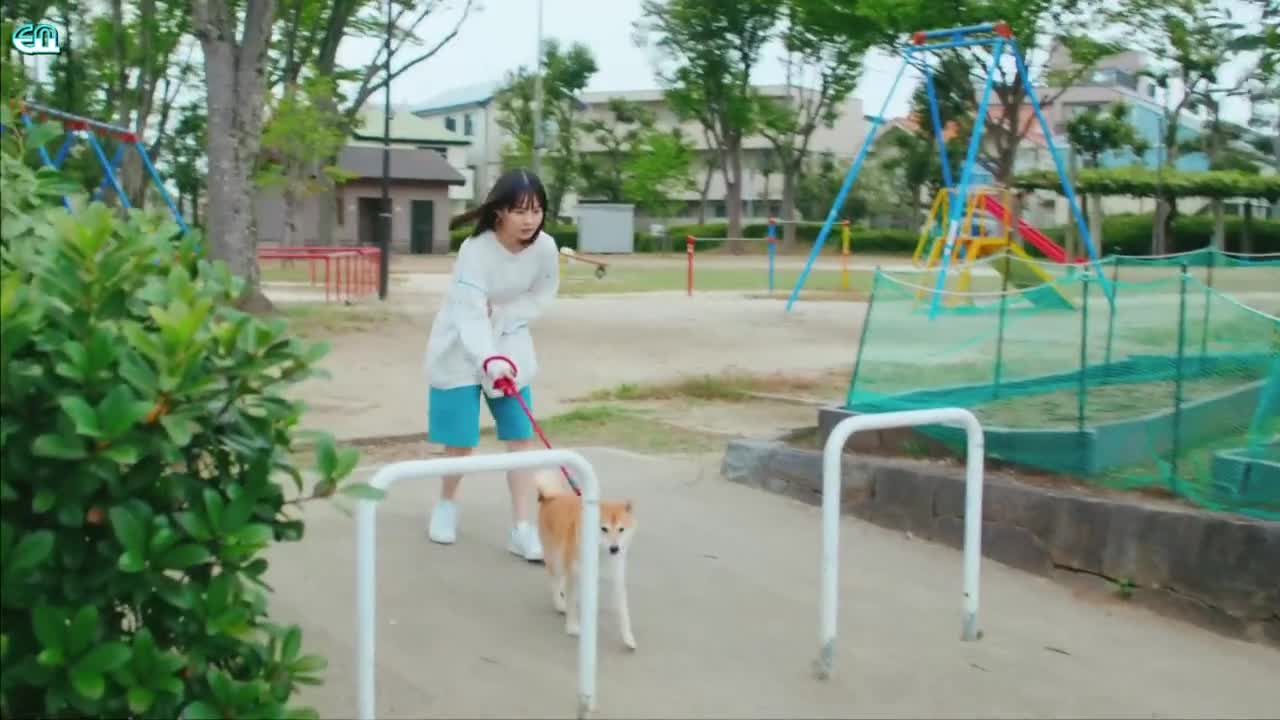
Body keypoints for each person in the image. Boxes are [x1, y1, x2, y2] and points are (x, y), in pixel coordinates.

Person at [422, 169, 561, 562]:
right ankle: (447, 504)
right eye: (520, 211)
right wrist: (488, 358)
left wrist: (504, 318)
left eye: (536, 210)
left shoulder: (546, 248)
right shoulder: (475, 250)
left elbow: (543, 294)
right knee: (461, 440)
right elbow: (469, 312)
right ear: (499, 211)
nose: (530, 220)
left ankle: (522, 528)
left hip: (509, 341)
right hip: (461, 346)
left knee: (520, 437)